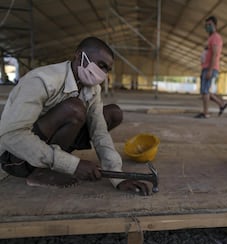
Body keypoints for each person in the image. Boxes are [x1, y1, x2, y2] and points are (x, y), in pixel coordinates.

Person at [0, 37, 150, 196]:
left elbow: (99, 132)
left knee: (112, 113)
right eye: (100, 65)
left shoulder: (92, 89)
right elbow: (11, 135)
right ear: (79, 55)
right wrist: (71, 165)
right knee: (74, 109)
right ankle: (40, 171)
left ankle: (52, 164)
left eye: (106, 69)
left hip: (47, 145)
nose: (103, 73)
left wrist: (117, 176)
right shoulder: (43, 80)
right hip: (17, 157)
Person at [195, 16, 227, 119]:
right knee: (205, 91)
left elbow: (214, 54)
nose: (208, 27)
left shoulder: (215, 37)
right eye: (206, 25)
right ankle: (221, 104)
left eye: (210, 25)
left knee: (205, 91)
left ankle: (205, 113)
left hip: (210, 67)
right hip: (206, 67)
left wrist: (210, 70)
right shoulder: (211, 38)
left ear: (215, 26)